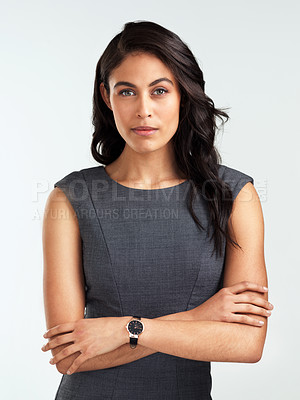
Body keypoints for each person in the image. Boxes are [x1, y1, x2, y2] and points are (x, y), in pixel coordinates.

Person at [41, 20, 273, 400]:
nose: (143, 110)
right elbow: (70, 357)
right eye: (127, 91)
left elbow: (247, 344)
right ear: (106, 96)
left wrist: (128, 330)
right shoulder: (71, 197)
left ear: (183, 94)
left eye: (160, 91)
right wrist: (198, 318)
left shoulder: (235, 194)